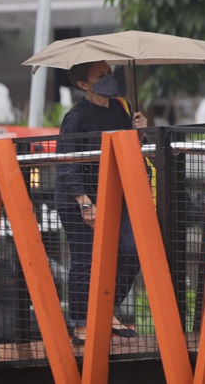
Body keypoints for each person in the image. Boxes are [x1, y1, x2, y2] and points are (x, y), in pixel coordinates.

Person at [54, 60, 148, 344]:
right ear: (84, 85)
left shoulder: (121, 109)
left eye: (109, 73)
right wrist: (85, 203)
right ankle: (82, 323)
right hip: (78, 198)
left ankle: (106, 310)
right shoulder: (75, 118)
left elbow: (130, 150)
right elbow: (65, 163)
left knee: (132, 250)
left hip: (117, 194)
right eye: (101, 75)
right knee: (86, 259)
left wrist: (141, 131)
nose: (109, 78)